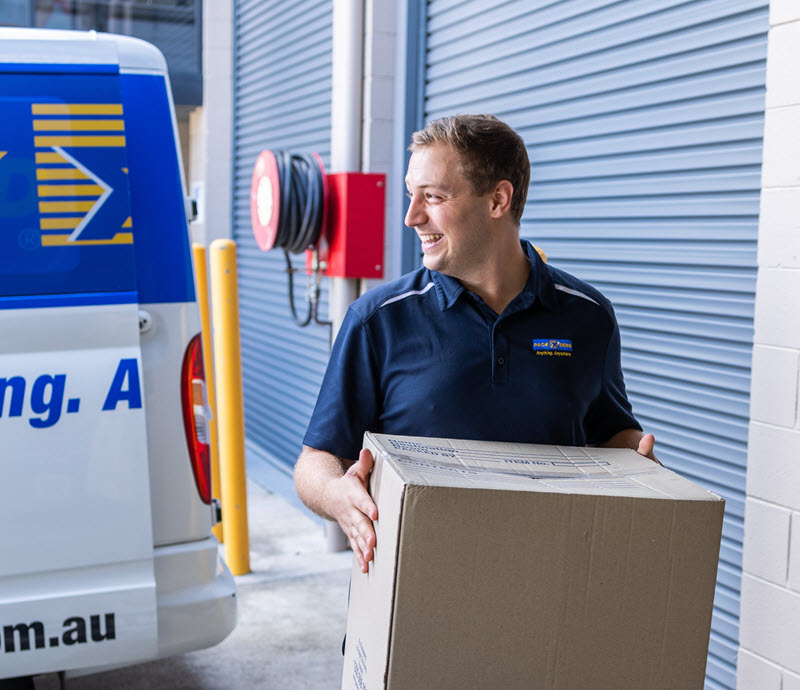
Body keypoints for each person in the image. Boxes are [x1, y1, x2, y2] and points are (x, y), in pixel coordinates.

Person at [294, 114, 657, 574]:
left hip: (550, 580)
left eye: (433, 196)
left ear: (498, 200)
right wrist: (337, 496)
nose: (412, 217)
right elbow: (316, 460)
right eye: (412, 195)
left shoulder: (587, 316)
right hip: (416, 585)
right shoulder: (380, 319)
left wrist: (638, 461)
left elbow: (611, 433)